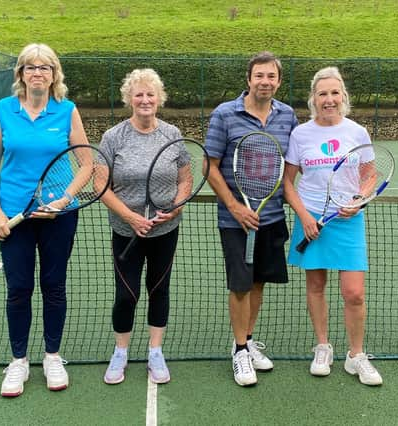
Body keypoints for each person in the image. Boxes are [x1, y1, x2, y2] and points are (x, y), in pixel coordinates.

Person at [0, 43, 90, 397]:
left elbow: (87, 163)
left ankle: (52, 357)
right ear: (21, 75)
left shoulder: (67, 110)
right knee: (18, 289)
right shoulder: (4, 110)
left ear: (54, 74)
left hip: (58, 216)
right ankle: (18, 361)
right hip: (14, 215)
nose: (38, 73)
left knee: (54, 286)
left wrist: (65, 199)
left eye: (45, 67)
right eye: (31, 67)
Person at [282, 67, 383, 386]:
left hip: (348, 220)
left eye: (334, 93)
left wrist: (359, 200)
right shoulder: (300, 134)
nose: (329, 99)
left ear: (343, 97)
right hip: (311, 217)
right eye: (322, 94)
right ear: (313, 99)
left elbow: (370, 175)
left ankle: (356, 356)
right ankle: (323, 347)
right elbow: (287, 182)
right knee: (316, 286)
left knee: (354, 293)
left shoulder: (357, 132)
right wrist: (305, 217)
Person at [205, 51, 298, 386]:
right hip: (236, 220)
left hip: (271, 217)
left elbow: (292, 165)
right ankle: (241, 351)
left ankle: (243, 339)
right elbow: (209, 166)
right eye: (259, 76)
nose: (265, 82)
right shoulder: (224, 115)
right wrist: (234, 207)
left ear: (278, 81)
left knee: (258, 281)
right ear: (248, 79)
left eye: (271, 76)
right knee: (241, 284)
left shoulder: (287, 116)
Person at [99, 68, 192, 385]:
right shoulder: (113, 137)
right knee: (126, 295)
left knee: (158, 289)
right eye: (138, 94)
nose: (145, 100)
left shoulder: (172, 134)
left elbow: (185, 180)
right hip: (126, 231)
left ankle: (155, 351)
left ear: (159, 98)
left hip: (165, 230)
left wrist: (176, 206)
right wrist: (131, 217)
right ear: (129, 99)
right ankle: (121, 353)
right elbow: (102, 186)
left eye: (150, 94)